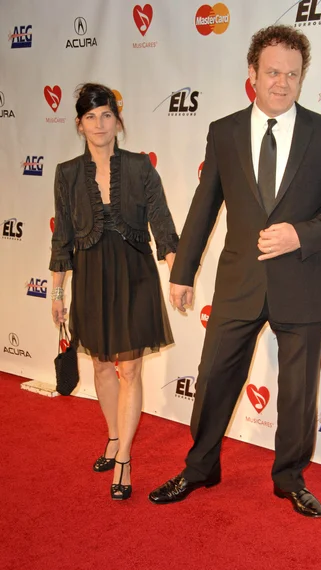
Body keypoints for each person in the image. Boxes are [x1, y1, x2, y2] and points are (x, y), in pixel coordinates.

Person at [149, 25, 321, 517]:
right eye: (272, 72)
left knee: (298, 391)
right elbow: (206, 204)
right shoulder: (223, 131)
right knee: (213, 378)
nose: (282, 83)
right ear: (252, 74)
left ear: (301, 77)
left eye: (292, 74)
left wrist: (301, 234)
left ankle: (289, 478)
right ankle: (200, 468)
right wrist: (183, 271)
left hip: (303, 279)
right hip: (239, 280)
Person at [50, 83, 178, 500]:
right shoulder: (67, 174)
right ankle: (112, 435)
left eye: (106, 115)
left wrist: (179, 274)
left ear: (118, 121)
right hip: (90, 277)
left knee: (131, 369)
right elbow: (63, 236)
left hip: (135, 275)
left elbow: (162, 222)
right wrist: (56, 293)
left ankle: (123, 458)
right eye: (91, 117)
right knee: (102, 367)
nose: (99, 124)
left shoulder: (140, 167)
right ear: (79, 124)